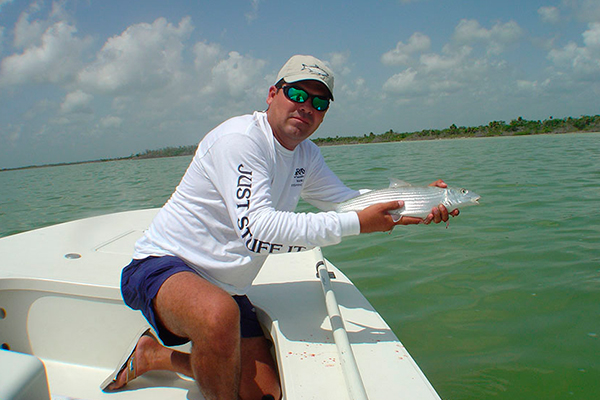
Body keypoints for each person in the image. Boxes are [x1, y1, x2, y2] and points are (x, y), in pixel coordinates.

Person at [101, 55, 458, 400]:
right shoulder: (240, 140)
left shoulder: (307, 155)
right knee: (217, 314)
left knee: (264, 394)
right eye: (297, 95)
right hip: (163, 265)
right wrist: (356, 225)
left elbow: (345, 201)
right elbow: (258, 232)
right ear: (273, 94)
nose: (306, 107)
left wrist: (414, 200)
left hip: (226, 286)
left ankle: (152, 355)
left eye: (319, 103)